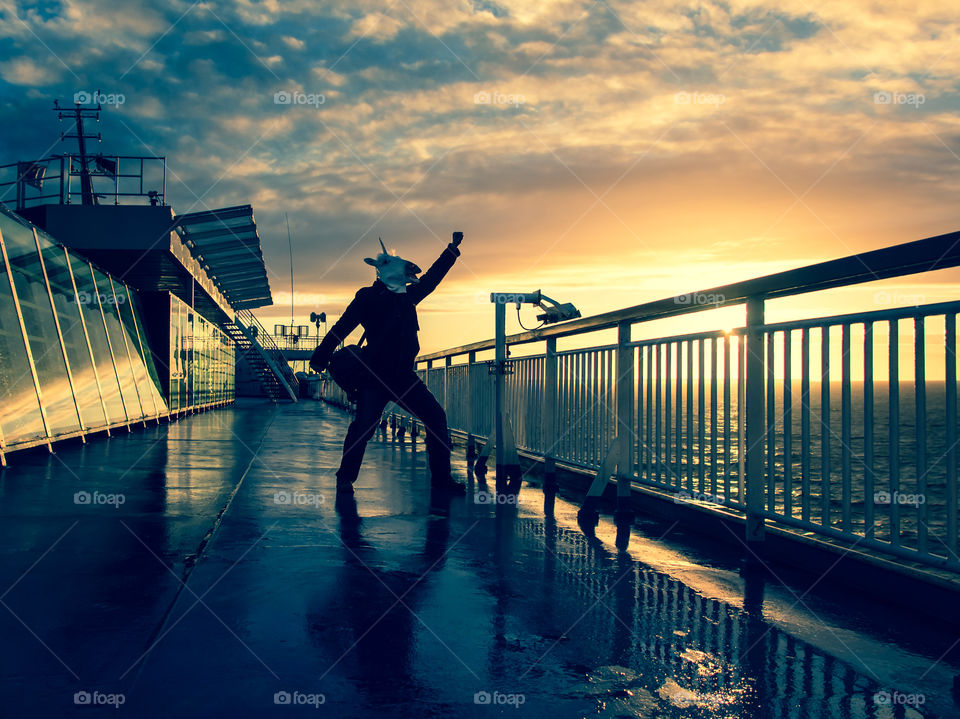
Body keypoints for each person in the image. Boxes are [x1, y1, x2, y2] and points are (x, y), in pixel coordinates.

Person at [310, 231, 466, 495]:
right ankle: (345, 478)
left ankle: (441, 480)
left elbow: (432, 279)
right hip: (376, 377)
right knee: (364, 427)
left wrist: (451, 250)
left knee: (436, 418)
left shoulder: (407, 296)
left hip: (404, 376)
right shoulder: (367, 299)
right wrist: (320, 357)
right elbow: (342, 327)